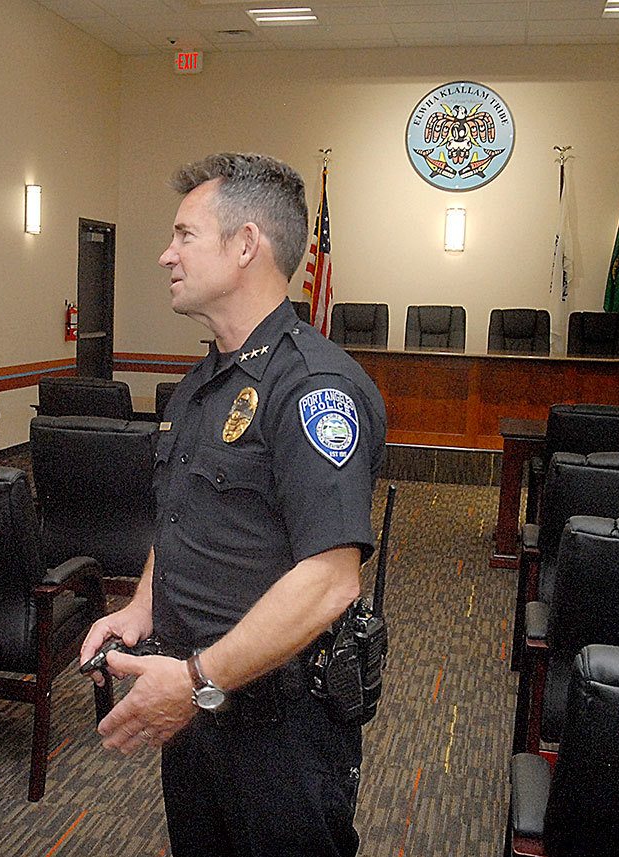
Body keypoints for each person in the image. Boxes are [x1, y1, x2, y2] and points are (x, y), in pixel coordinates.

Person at [79, 152, 386, 857]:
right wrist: (142, 607)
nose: (165, 254)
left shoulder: (312, 388)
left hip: (281, 721)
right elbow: (184, 515)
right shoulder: (202, 384)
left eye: (185, 235)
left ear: (245, 244)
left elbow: (332, 579)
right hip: (195, 697)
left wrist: (196, 679)